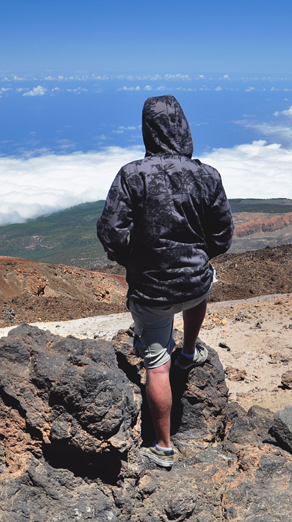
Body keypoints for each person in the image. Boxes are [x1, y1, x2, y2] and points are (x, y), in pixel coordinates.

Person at [97, 95, 233, 469]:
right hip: (194, 282)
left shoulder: (132, 174)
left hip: (151, 290)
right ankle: (188, 351)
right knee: (203, 282)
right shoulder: (207, 176)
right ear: (184, 128)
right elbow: (223, 236)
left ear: (148, 130)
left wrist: (132, 259)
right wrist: (197, 255)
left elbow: (110, 231)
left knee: (157, 367)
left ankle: (163, 446)